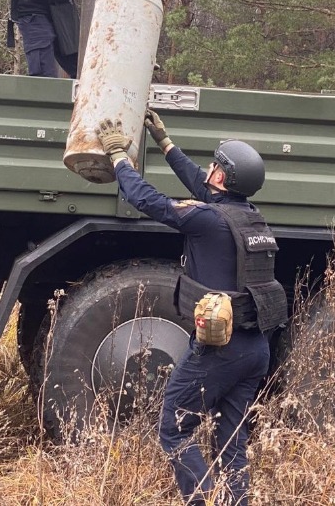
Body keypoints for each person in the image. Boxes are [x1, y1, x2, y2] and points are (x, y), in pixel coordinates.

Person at [95, 110, 288, 506]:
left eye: (214, 166)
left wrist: (118, 158)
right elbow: (202, 188)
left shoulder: (207, 220)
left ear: (222, 177)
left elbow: (145, 199)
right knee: (230, 443)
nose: (208, 170)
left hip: (220, 351)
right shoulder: (249, 220)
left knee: (174, 431)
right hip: (255, 350)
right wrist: (166, 144)